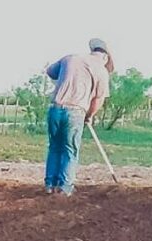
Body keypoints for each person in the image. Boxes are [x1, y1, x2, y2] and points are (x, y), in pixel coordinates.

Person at [44, 39, 115, 196]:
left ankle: (50, 185)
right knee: (70, 149)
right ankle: (65, 187)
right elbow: (98, 99)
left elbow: (50, 71)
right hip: (75, 111)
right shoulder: (101, 70)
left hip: (55, 108)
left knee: (55, 147)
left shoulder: (70, 58)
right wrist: (89, 115)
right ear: (105, 57)